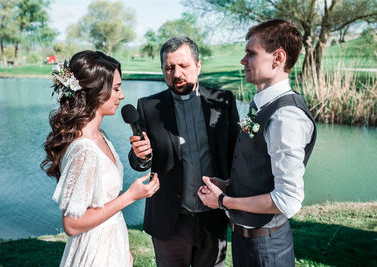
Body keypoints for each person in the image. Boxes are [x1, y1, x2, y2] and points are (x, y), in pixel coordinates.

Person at [198, 19, 317, 267]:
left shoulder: (287, 117)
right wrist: (230, 185)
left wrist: (222, 201)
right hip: (245, 242)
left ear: (278, 58)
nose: (243, 61)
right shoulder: (261, 104)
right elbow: (262, 170)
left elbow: (288, 200)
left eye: (251, 53)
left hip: (267, 249)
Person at [128, 36, 240, 267]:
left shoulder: (223, 101)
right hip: (170, 220)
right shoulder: (148, 107)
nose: (176, 73)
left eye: (183, 66)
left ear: (198, 66)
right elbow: (141, 159)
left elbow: (235, 156)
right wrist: (141, 155)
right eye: (169, 68)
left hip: (214, 216)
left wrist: (235, 201)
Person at [41, 50, 160, 267]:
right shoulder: (84, 149)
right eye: (116, 89)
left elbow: (101, 203)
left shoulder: (99, 136)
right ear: (96, 92)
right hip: (94, 253)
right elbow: (72, 224)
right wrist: (131, 196)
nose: (122, 95)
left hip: (111, 244)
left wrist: (122, 251)